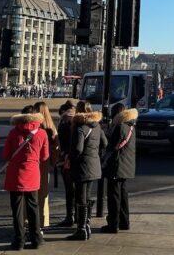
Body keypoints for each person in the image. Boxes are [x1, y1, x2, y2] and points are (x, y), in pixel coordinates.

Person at [3, 106, 49, 250]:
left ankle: (19, 240)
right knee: (33, 206)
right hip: (32, 172)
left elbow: (6, 155)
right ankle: (36, 238)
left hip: (15, 173)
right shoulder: (41, 133)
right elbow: (45, 156)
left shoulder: (13, 132)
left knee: (17, 208)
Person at [66, 100, 106, 241]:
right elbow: (104, 143)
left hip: (82, 166)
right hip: (94, 165)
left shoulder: (80, 127)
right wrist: (95, 153)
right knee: (87, 196)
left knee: (81, 197)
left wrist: (69, 158)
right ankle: (87, 224)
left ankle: (81, 229)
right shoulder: (96, 125)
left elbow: (77, 149)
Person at [100, 102, 138, 233]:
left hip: (117, 165)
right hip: (126, 166)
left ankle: (113, 224)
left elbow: (112, 146)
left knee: (114, 196)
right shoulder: (131, 126)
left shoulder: (120, 127)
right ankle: (124, 221)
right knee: (123, 195)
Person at [32, 101, 60, 230]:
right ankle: (43, 221)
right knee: (43, 195)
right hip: (46, 163)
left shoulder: (37, 128)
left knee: (32, 194)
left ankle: (31, 220)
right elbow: (56, 149)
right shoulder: (52, 128)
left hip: (36, 162)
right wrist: (52, 163)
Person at [56, 100, 77, 227]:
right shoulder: (78, 120)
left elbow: (62, 141)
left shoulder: (65, 121)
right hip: (78, 158)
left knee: (69, 190)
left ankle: (70, 216)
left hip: (66, 158)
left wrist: (63, 155)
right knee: (77, 189)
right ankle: (79, 216)